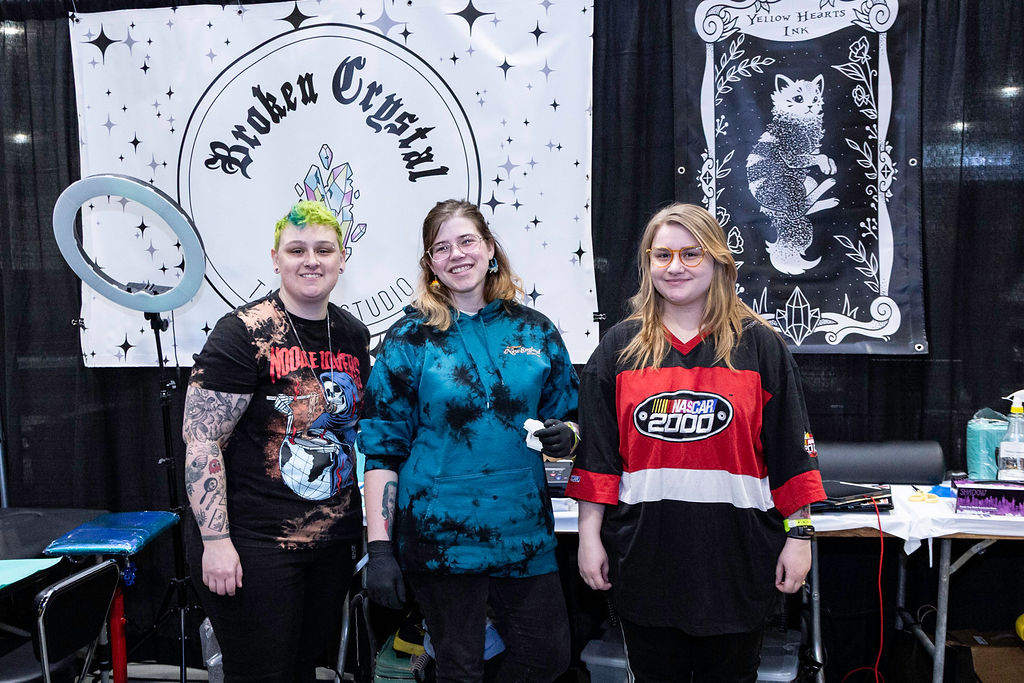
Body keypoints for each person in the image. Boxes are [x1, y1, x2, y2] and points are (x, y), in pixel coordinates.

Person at [565, 203, 826, 682]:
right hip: (645, 558)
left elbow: (793, 455)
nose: (675, 267)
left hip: (737, 560)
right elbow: (597, 459)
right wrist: (588, 539)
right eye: (662, 255)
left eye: (691, 254)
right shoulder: (619, 349)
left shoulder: (759, 346)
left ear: (718, 261)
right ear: (647, 263)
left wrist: (800, 538)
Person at [357, 199, 578, 683]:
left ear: (490, 248)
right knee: (460, 669)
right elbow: (382, 450)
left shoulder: (534, 329)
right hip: (440, 538)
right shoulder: (409, 338)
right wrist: (380, 550)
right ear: (430, 264)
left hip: (524, 532)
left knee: (548, 657)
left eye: (466, 241)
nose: (456, 254)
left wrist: (568, 435)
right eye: (441, 248)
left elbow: (569, 414)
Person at [182, 200, 370, 682]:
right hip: (256, 545)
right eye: (297, 249)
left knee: (304, 670)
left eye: (324, 249)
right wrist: (216, 542)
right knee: (261, 674)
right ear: (275, 258)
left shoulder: (352, 334)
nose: (311, 260)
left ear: (342, 258)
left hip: (331, 544)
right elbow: (202, 442)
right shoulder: (244, 332)